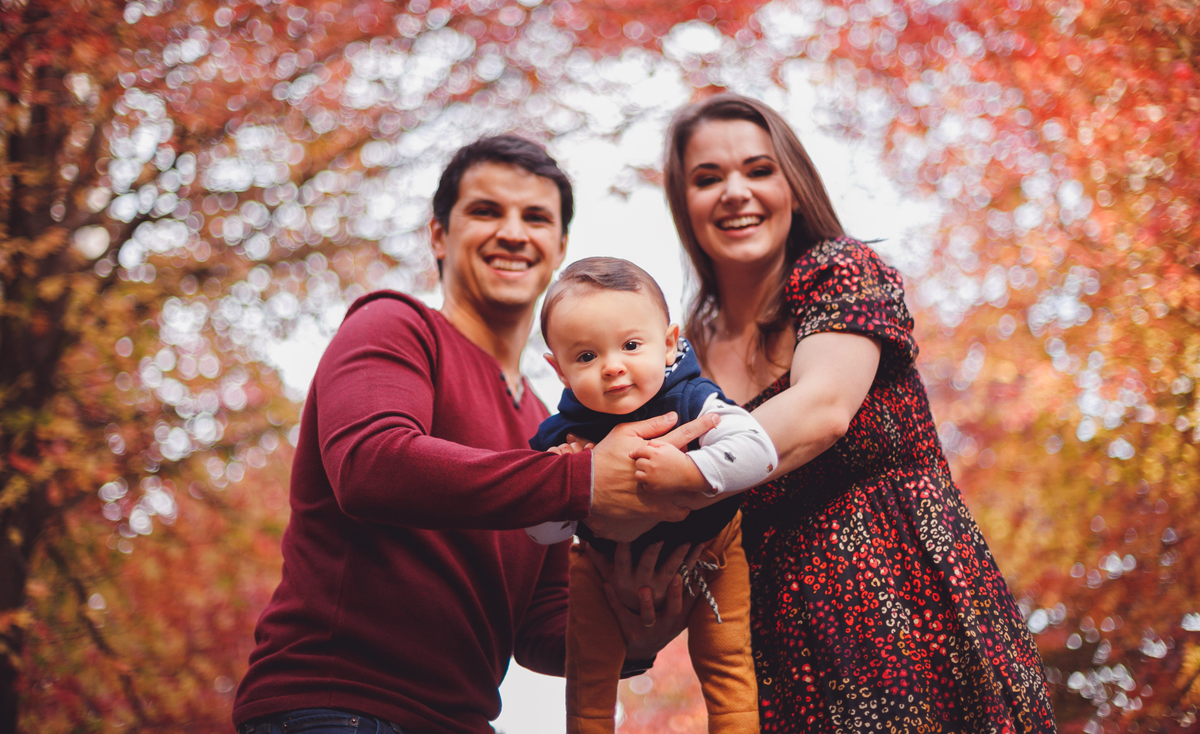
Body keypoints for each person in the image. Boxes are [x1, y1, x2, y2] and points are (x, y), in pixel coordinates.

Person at [232, 135, 712, 734]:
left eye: (535, 217)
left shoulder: (550, 427)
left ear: (559, 248)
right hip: (338, 705)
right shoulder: (395, 325)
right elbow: (371, 465)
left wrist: (631, 632)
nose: (513, 233)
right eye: (486, 211)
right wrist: (582, 479)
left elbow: (537, 621)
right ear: (439, 235)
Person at [646, 94, 1058, 733]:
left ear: (793, 185)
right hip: (784, 657)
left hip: (912, 609)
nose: (735, 192)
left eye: (759, 170)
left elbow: (823, 410)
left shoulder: (838, 270)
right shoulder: (680, 361)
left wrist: (687, 472)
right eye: (707, 178)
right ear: (684, 203)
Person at [526, 257, 775, 734]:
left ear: (668, 343)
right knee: (589, 670)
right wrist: (567, 482)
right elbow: (540, 533)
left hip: (712, 551)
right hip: (603, 566)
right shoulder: (560, 436)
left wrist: (689, 471)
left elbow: (760, 451)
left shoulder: (693, 399)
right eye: (586, 356)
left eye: (631, 345)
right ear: (559, 371)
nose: (612, 367)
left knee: (726, 660)